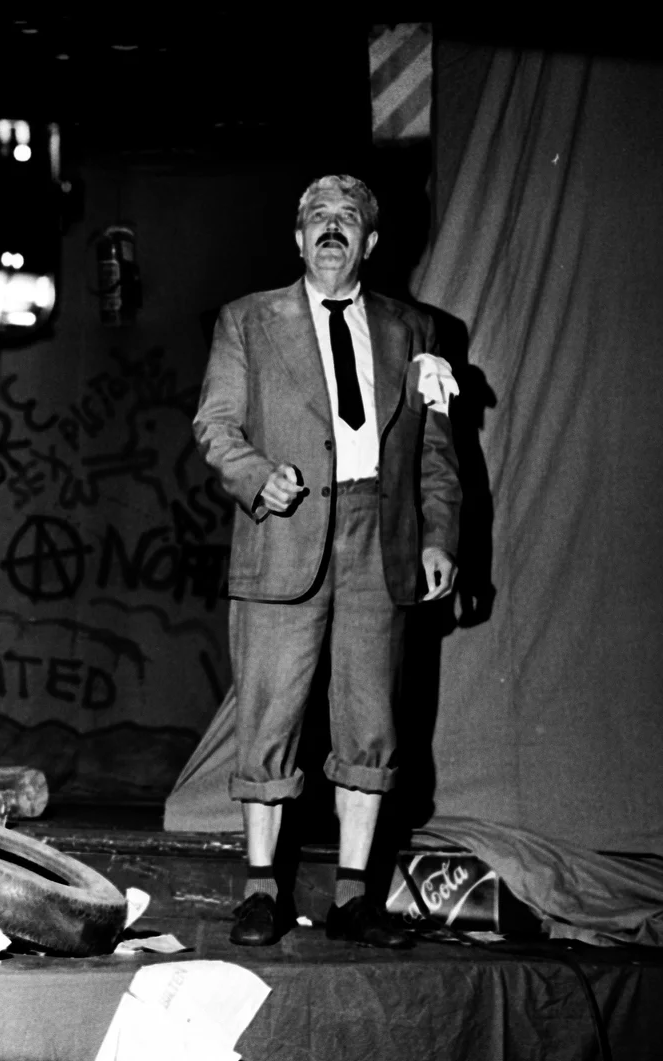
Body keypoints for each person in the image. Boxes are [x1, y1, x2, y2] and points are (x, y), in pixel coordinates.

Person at [193, 175, 461, 947]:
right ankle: (259, 890)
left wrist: (438, 535)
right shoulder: (247, 320)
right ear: (298, 237)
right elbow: (215, 424)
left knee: (371, 719)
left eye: (348, 218)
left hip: (381, 535)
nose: (332, 228)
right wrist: (255, 475)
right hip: (285, 531)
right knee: (268, 713)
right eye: (318, 217)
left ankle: (352, 896)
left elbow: (436, 450)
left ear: (371, 242)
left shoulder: (415, 329)